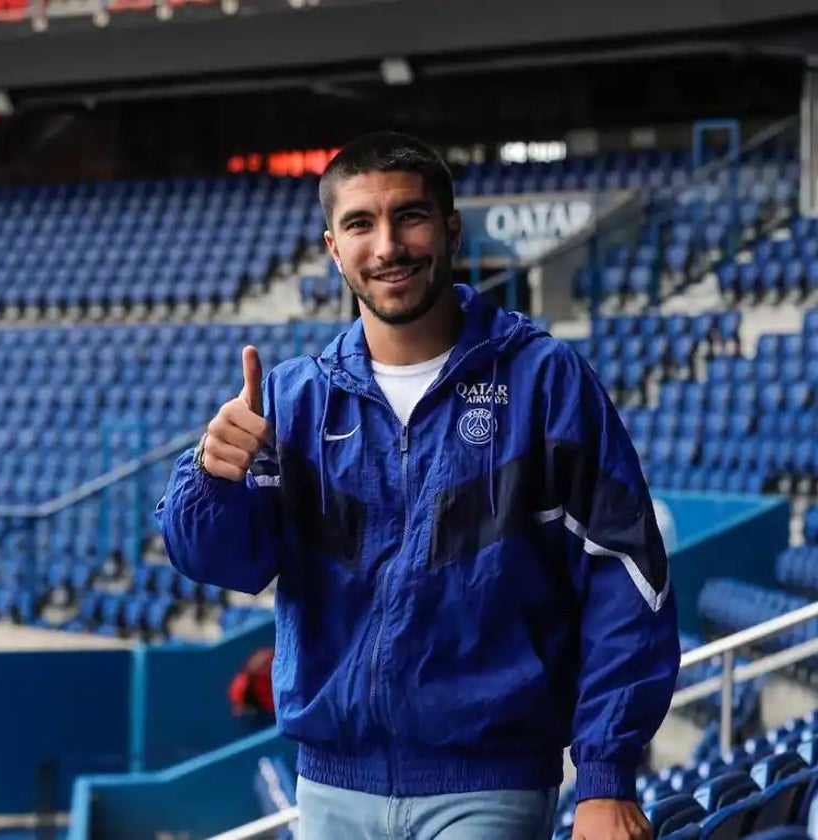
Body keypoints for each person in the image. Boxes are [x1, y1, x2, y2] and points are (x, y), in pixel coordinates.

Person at [155, 131, 679, 840]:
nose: (388, 246)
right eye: (360, 224)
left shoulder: (544, 381)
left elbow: (626, 582)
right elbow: (227, 563)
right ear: (333, 249)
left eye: (410, 217)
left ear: (450, 231)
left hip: (488, 785)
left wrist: (606, 777)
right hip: (330, 788)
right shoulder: (294, 400)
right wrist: (212, 478)